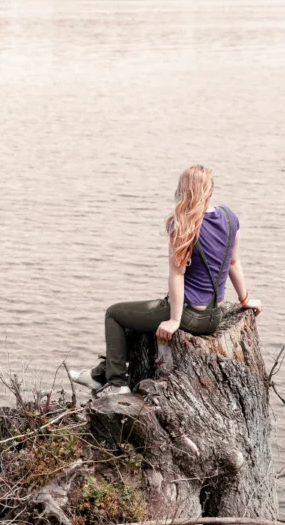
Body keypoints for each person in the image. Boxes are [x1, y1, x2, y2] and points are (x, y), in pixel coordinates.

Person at [70, 165, 262, 396]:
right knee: (136, 324)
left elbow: (177, 275)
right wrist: (245, 299)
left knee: (114, 314)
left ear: (182, 191)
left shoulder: (181, 225)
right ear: (210, 191)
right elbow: (233, 263)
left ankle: (117, 383)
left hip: (189, 315)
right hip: (213, 316)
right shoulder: (231, 218)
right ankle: (98, 375)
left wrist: (174, 319)